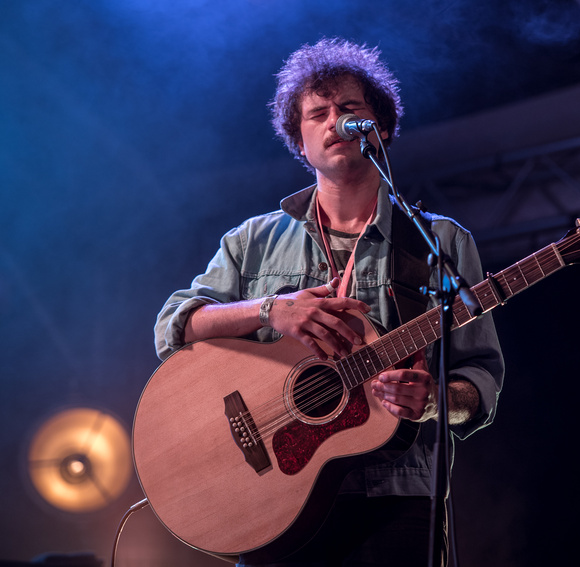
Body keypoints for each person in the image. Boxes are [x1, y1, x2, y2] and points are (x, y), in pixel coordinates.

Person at [154, 38, 503, 567]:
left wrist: (434, 400)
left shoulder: (443, 243)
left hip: (400, 495)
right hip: (275, 501)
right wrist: (272, 309)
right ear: (300, 138)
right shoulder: (253, 242)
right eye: (318, 113)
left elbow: (480, 377)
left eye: (350, 109)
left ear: (379, 127)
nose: (335, 120)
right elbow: (174, 327)